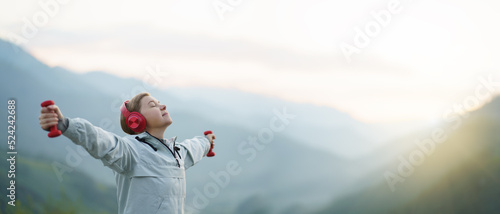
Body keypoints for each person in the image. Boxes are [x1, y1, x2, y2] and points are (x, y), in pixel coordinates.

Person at [38, 92, 215, 214]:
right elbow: (99, 139)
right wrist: (65, 125)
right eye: (153, 105)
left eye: (159, 102)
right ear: (136, 120)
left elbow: (195, 147)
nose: (162, 106)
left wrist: (207, 142)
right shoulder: (131, 151)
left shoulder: (177, 154)